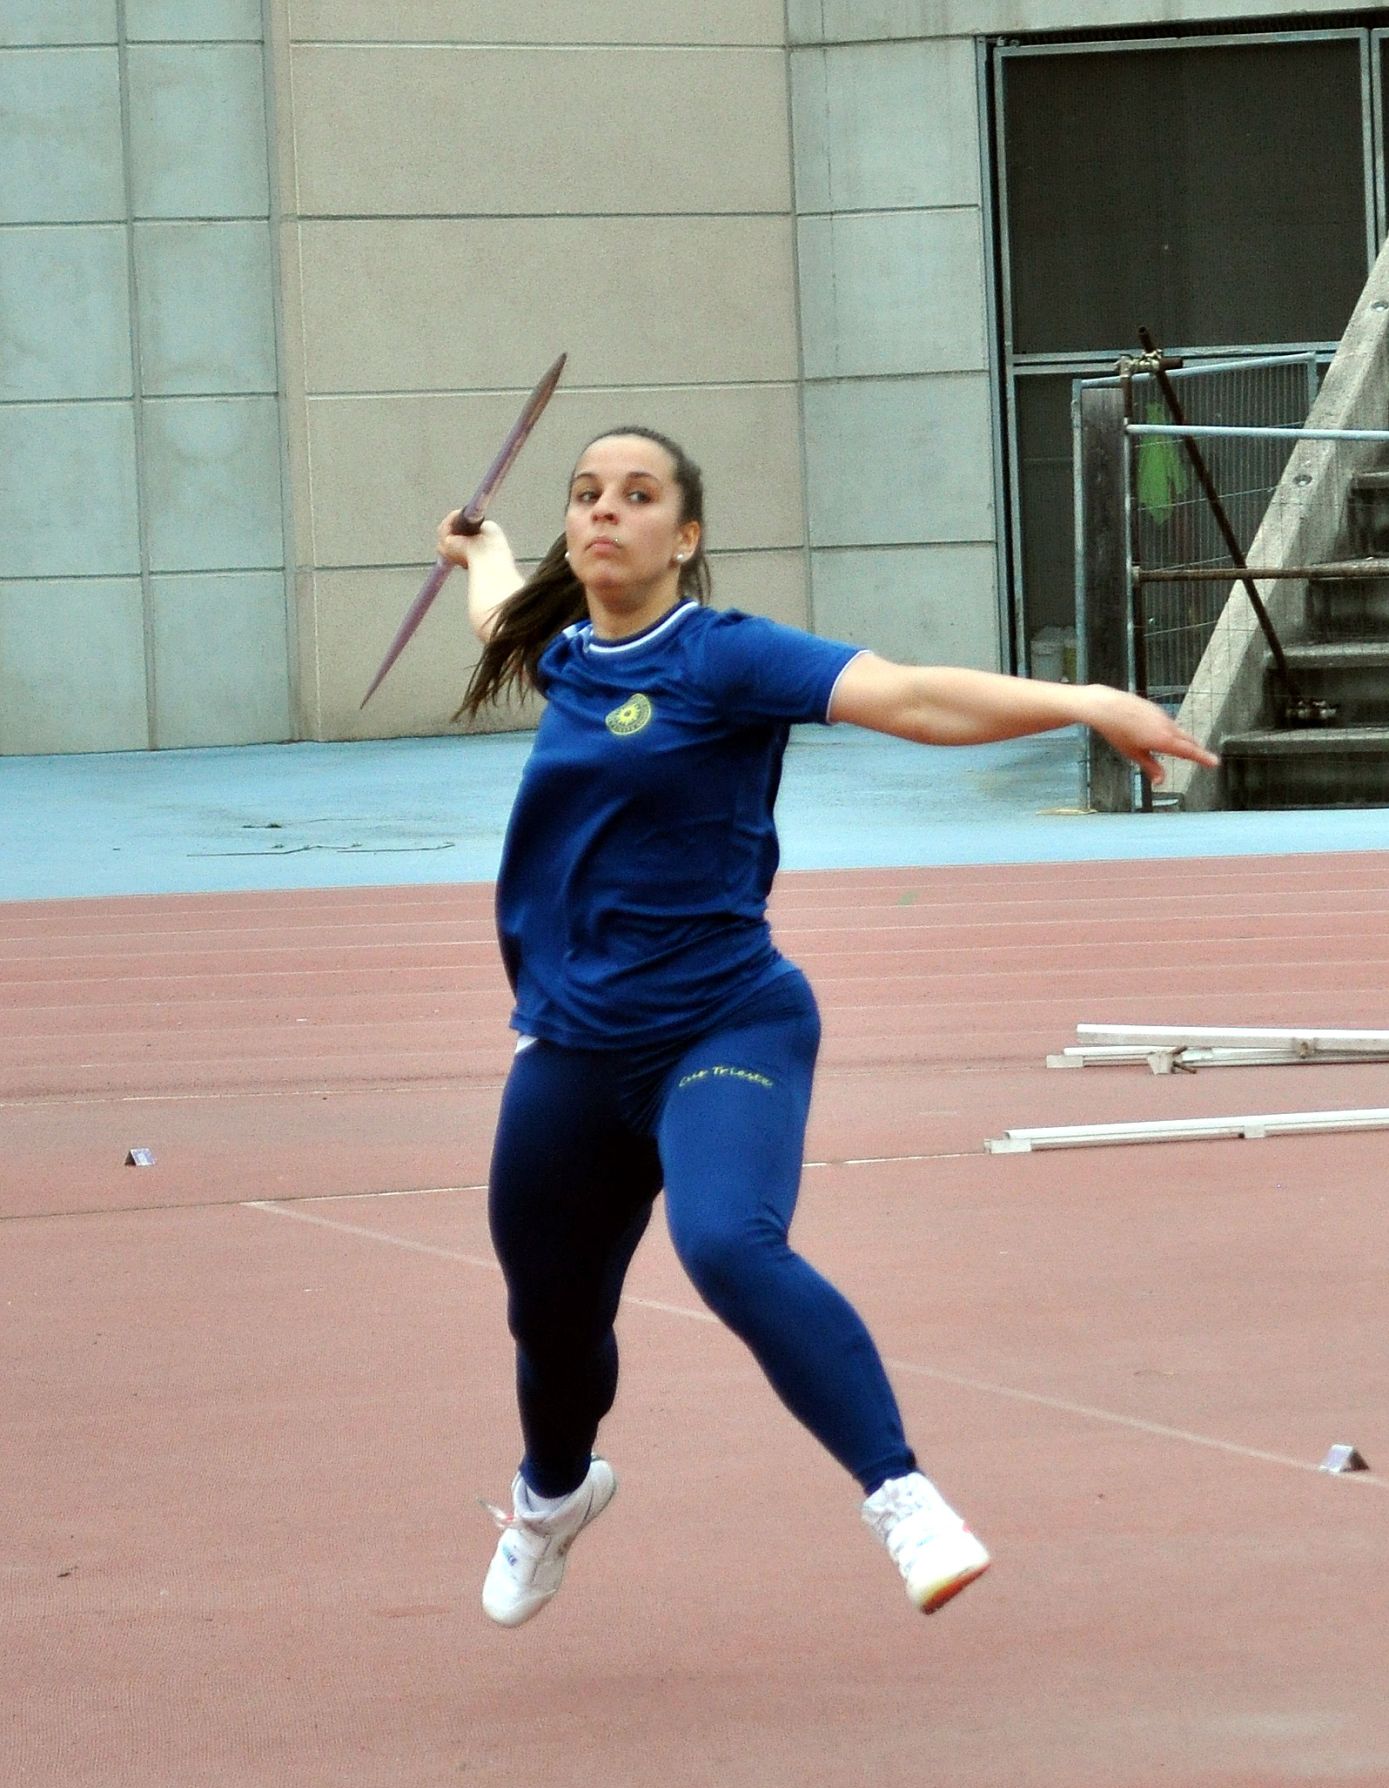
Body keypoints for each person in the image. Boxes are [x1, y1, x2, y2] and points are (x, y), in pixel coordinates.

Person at [435, 426, 1218, 1629]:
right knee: (549, 1316)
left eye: (637, 495)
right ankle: (553, 1493)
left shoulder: (725, 655)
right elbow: (502, 613)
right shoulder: (571, 656)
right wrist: (479, 548)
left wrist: (1086, 702)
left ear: (684, 536)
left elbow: (908, 696)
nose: (605, 511)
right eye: (586, 495)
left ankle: (902, 1497)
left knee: (728, 1242)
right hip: (576, 1049)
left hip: (723, 1024)